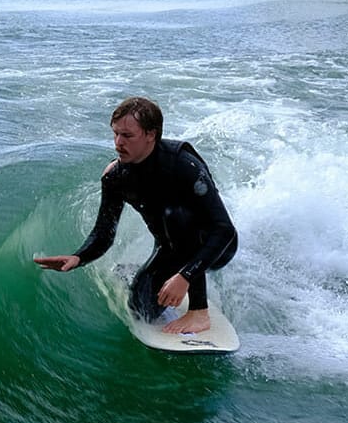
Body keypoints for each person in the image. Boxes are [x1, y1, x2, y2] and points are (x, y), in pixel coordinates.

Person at [34, 97, 237, 335]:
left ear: (151, 135)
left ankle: (198, 311)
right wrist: (79, 257)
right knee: (140, 309)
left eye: (127, 136)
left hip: (214, 248)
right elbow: (104, 232)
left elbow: (224, 230)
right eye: (116, 134)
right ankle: (162, 273)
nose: (118, 143)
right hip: (170, 248)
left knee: (179, 217)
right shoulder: (116, 176)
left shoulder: (183, 166)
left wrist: (185, 276)